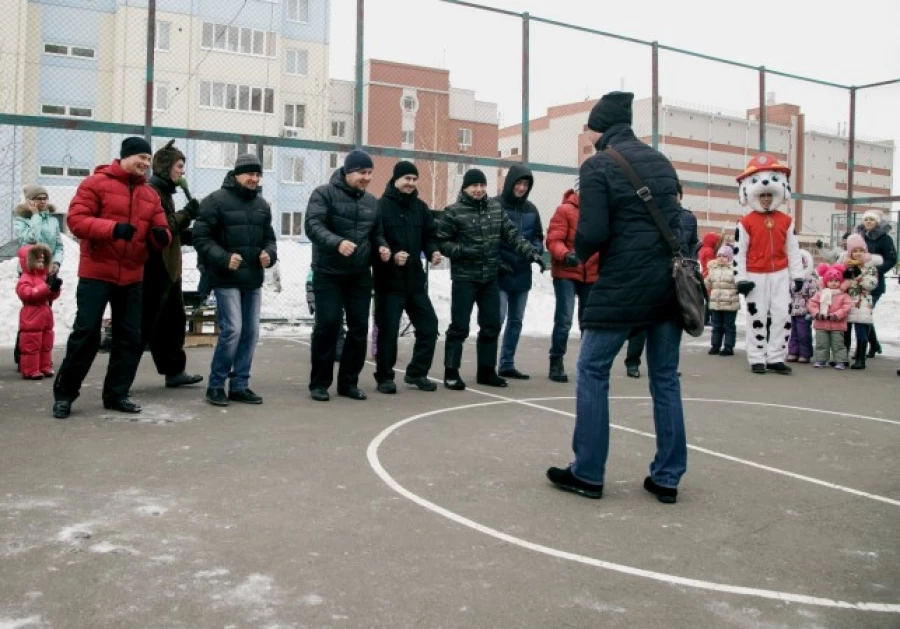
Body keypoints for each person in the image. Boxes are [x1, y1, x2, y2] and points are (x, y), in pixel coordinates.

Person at [545, 91, 686, 504]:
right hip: (665, 286)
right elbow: (677, 220)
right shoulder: (661, 162)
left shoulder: (598, 166)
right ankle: (668, 476)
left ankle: (588, 472)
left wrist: (576, 255)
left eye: (589, 126)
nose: (587, 133)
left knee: (591, 369)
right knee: (665, 379)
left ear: (599, 128)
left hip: (623, 284)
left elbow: (594, 231)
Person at [52, 136, 171, 419]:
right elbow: (76, 221)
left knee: (129, 338)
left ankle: (117, 394)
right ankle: (65, 395)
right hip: (97, 272)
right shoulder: (95, 184)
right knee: (86, 334)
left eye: (147, 159)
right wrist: (113, 229)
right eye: (140, 157)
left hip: (132, 276)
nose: (144, 163)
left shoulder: (150, 195)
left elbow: (162, 230)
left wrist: (160, 237)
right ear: (125, 156)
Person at [436, 168, 545, 391]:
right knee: (459, 327)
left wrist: (532, 254)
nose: (478, 190)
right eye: (473, 186)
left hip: (490, 278)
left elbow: (513, 236)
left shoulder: (495, 209)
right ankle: (451, 372)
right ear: (465, 188)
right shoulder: (454, 212)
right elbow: (442, 242)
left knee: (491, 325)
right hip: (465, 278)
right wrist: (463, 251)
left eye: (482, 185)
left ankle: (486, 371)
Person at [304, 149, 390, 402]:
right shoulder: (323, 193)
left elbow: (376, 234)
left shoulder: (372, 202)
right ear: (348, 172)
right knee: (328, 324)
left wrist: (382, 247)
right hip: (328, 272)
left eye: (370, 173)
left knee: (359, 328)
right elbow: (313, 225)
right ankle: (319, 383)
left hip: (359, 275)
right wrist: (337, 242)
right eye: (362, 172)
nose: (367, 177)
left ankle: (348, 383)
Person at [193, 153, 277, 406]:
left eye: (258, 174)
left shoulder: (262, 205)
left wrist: (269, 254)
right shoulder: (214, 201)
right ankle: (216, 385)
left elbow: (270, 239)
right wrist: (224, 258)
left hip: (252, 279)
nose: (254, 178)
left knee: (250, 332)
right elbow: (201, 238)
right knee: (233, 330)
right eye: (250, 174)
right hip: (225, 278)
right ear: (236, 174)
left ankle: (240, 384)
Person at [372, 161, 441, 394]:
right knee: (389, 331)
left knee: (429, 326)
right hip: (388, 282)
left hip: (414, 282)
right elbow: (375, 239)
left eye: (414, 179)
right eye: (406, 179)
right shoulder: (380, 207)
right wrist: (391, 256)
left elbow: (430, 235)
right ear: (396, 180)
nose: (411, 183)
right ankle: (384, 377)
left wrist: (433, 251)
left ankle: (417, 372)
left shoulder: (421, 208)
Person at [140, 140, 204, 389]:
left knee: (173, 321)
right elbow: (163, 227)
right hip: (155, 268)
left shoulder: (165, 192)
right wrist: (188, 214)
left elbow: (172, 231)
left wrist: (192, 234)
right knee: (148, 323)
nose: (182, 171)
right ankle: (120, 380)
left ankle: (174, 370)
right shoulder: (152, 192)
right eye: (179, 166)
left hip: (169, 267)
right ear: (166, 167)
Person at [733, 154, 804, 375]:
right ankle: (756, 358)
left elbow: (793, 250)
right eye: (761, 195)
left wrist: (798, 275)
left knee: (781, 315)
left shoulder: (786, 221)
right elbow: (739, 252)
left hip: (780, 274)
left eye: (768, 195)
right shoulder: (745, 222)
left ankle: (775, 357)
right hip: (755, 275)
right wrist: (741, 278)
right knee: (757, 316)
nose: (765, 199)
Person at [622, 182, 694, 378]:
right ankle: (632, 362)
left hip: (676, 279)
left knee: (671, 327)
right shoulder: (649, 215)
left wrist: (690, 266)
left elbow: (691, 245)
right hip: (648, 277)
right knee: (641, 326)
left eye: (675, 194)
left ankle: (669, 364)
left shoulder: (687, 218)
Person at [545, 183, 599, 383]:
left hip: (591, 273)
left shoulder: (599, 213)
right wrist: (566, 255)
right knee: (564, 319)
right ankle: (556, 360)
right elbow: (553, 240)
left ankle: (588, 364)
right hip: (566, 271)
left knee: (588, 321)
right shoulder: (565, 210)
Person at [496, 164, 544, 380]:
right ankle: (487, 363)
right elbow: (489, 237)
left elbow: (537, 236)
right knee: (498, 317)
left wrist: (536, 250)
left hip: (522, 272)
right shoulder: (495, 205)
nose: (522, 187)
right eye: (519, 183)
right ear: (511, 182)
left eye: (526, 184)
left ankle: (507, 363)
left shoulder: (531, 209)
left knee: (516, 320)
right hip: (501, 271)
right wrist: (497, 261)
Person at [13, 185, 64, 367]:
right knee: (31, 315)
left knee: (44, 313)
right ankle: (24, 354)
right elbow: (30, 240)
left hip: (47, 271)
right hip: (28, 271)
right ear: (29, 201)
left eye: (45, 197)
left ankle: (41, 356)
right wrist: (34, 216)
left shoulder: (52, 221)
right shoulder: (21, 220)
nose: (42, 201)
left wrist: (56, 263)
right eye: (38, 198)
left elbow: (58, 245)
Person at [853, 209, 896, 358]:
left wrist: (876, 272)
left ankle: (863, 350)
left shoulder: (885, 239)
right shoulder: (859, 237)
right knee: (862, 314)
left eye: (872, 219)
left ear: (877, 222)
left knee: (864, 313)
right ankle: (874, 344)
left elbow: (891, 259)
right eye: (866, 219)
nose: (868, 222)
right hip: (857, 283)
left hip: (874, 284)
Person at [16, 244, 61, 380]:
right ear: (28, 262)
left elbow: (50, 296)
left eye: (42, 261)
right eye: (37, 261)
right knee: (32, 343)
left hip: (45, 312)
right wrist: (45, 287)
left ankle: (44, 366)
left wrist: (54, 288)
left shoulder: (44, 276)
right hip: (31, 313)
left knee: (46, 342)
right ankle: (31, 370)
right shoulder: (25, 278)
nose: (41, 264)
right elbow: (27, 294)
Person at [841, 234, 880, 370]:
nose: (858, 254)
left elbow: (871, 284)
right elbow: (838, 283)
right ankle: (843, 358)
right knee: (844, 332)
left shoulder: (870, 267)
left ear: (865, 251)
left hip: (863, 302)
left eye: (860, 251)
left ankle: (860, 359)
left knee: (861, 332)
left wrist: (858, 276)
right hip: (846, 302)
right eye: (854, 251)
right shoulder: (845, 265)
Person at [808, 264, 851, 369]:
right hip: (821, 323)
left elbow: (847, 307)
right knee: (821, 343)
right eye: (831, 280)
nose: (833, 283)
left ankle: (840, 361)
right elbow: (812, 304)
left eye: (836, 281)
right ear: (826, 282)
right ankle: (821, 360)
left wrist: (837, 315)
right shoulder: (820, 294)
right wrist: (817, 313)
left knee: (838, 344)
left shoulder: (843, 295)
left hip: (837, 325)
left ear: (840, 282)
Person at [704, 244, 739, 356]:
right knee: (716, 326)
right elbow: (707, 283)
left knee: (729, 326)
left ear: (730, 258)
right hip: (716, 303)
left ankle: (728, 347)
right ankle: (715, 345)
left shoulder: (734, 269)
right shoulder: (713, 269)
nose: (721, 258)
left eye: (724, 256)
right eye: (719, 255)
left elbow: (738, 284)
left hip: (730, 304)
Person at [786, 250, 817, 363]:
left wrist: (811, 307)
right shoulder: (790, 278)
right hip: (792, 309)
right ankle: (793, 352)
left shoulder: (810, 279)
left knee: (803, 333)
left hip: (804, 310)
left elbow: (814, 294)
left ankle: (805, 353)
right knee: (793, 332)